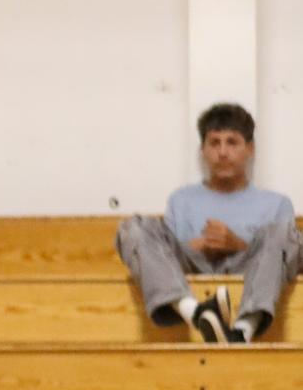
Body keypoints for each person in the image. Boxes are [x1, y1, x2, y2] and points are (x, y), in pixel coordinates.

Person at [118, 103, 301, 344]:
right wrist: (194, 246)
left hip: (248, 268)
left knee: (285, 233)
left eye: (232, 142)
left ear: (250, 149)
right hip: (193, 268)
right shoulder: (180, 199)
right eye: (214, 143)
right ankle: (196, 312)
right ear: (203, 150)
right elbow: (163, 257)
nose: (222, 152)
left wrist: (239, 246)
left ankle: (243, 329)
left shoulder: (276, 203)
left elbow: (285, 260)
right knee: (134, 227)